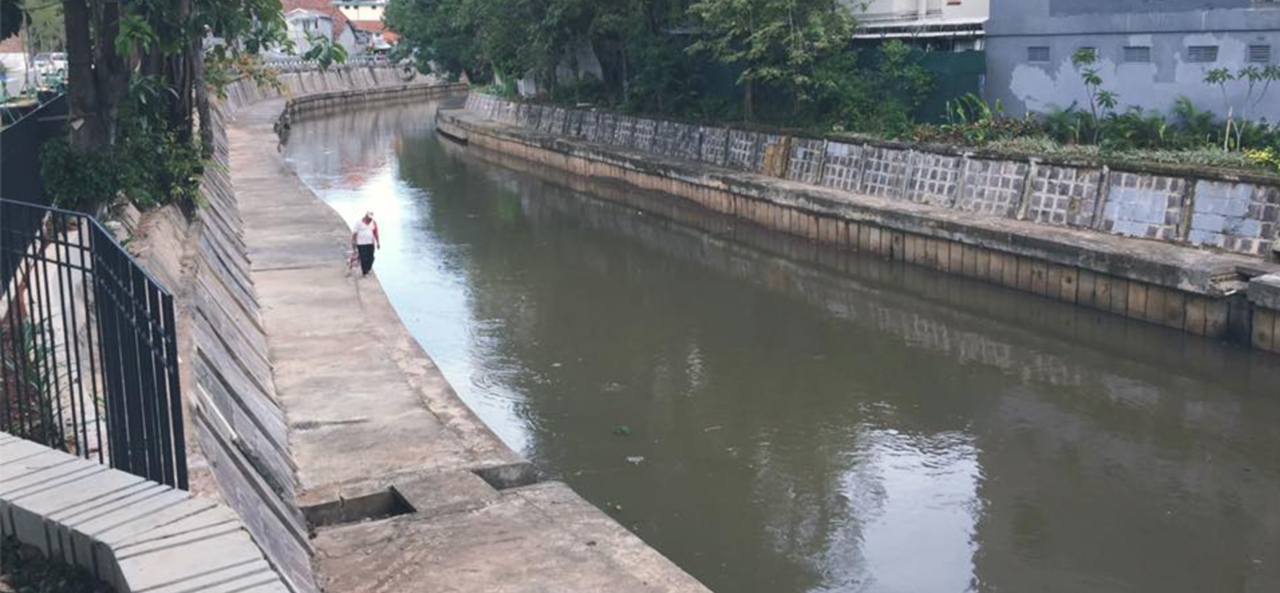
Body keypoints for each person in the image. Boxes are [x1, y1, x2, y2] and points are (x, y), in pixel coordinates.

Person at [351, 211, 380, 276]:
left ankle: (368, 268)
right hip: (361, 243)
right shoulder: (359, 223)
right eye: (369, 218)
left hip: (370, 243)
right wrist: (353, 242)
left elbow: (376, 233)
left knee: (371, 257)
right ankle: (365, 272)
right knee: (363, 258)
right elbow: (354, 233)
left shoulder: (373, 223)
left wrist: (378, 242)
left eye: (371, 218)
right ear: (366, 216)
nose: (370, 219)